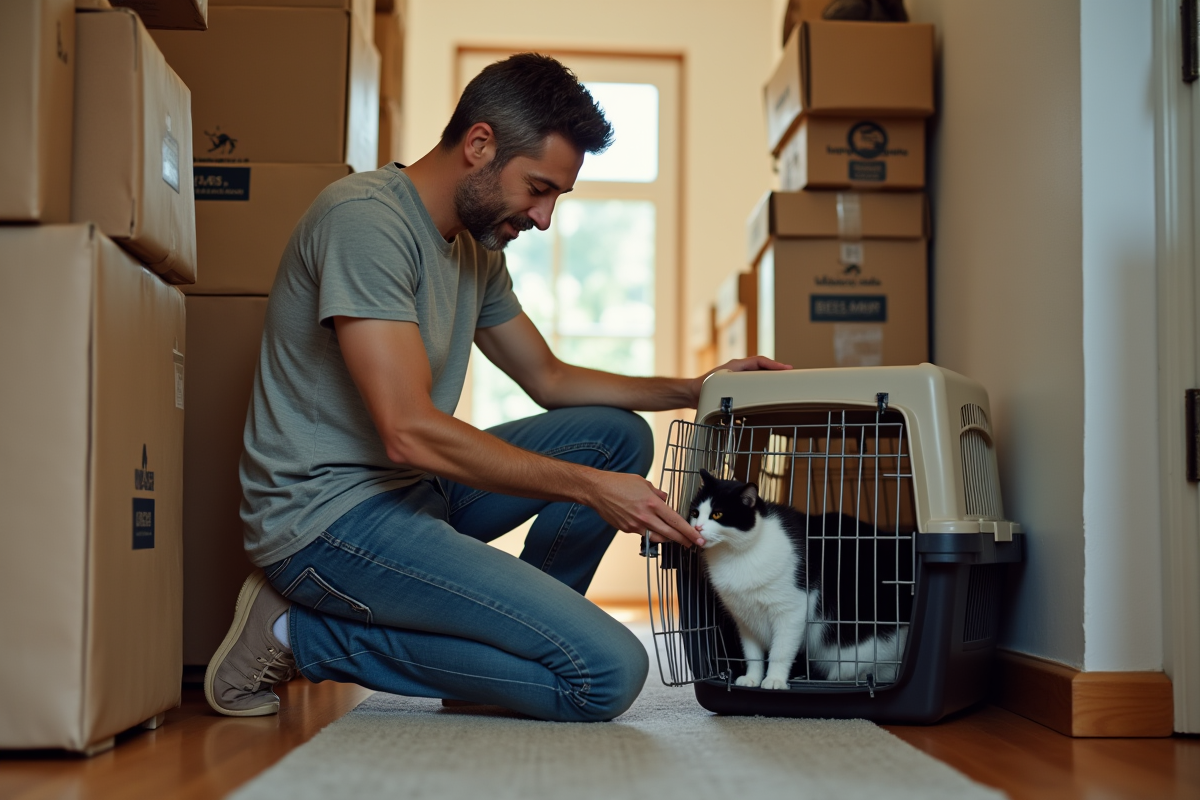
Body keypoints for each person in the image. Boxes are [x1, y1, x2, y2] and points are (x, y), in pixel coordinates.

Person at [203, 53, 789, 723]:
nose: (543, 219)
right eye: (538, 188)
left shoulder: (477, 248)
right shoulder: (365, 222)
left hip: (408, 495)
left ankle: (511, 651)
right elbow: (407, 429)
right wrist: (589, 488)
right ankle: (297, 632)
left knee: (616, 434)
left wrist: (697, 387)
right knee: (605, 674)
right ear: (480, 145)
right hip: (326, 522)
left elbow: (551, 378)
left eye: (556, 198)